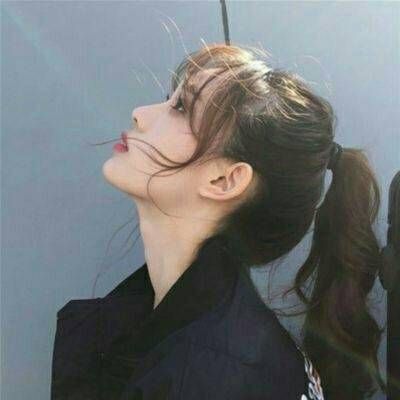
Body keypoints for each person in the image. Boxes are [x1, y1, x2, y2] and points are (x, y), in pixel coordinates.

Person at [50, 43, 386, 400]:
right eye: (169, 99)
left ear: (224, 180)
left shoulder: (206, 375)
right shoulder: (205, 345)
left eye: (181, 108)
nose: (140, 114)